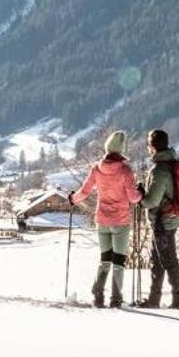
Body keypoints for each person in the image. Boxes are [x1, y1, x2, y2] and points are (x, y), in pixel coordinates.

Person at [71, 130, 141, 308]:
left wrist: (73, 198)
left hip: (102, 220)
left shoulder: (96, 169)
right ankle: (116, 299)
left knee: (105, 259)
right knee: (118, 262)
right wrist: (141, 193)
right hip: (121, 222)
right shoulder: (125, 171)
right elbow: (133, 198)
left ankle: (98, 295)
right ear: (121, 149)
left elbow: (85, 191)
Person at [139, 128, 179, 309]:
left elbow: (152, 201)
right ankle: (154, 299)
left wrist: (141, 197)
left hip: (162, 223)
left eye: (149, 144)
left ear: (153, 146)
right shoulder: (171, 164)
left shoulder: (159, 170)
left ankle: (178, 300)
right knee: (158, 261)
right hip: (167, 220)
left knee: (168, 261)